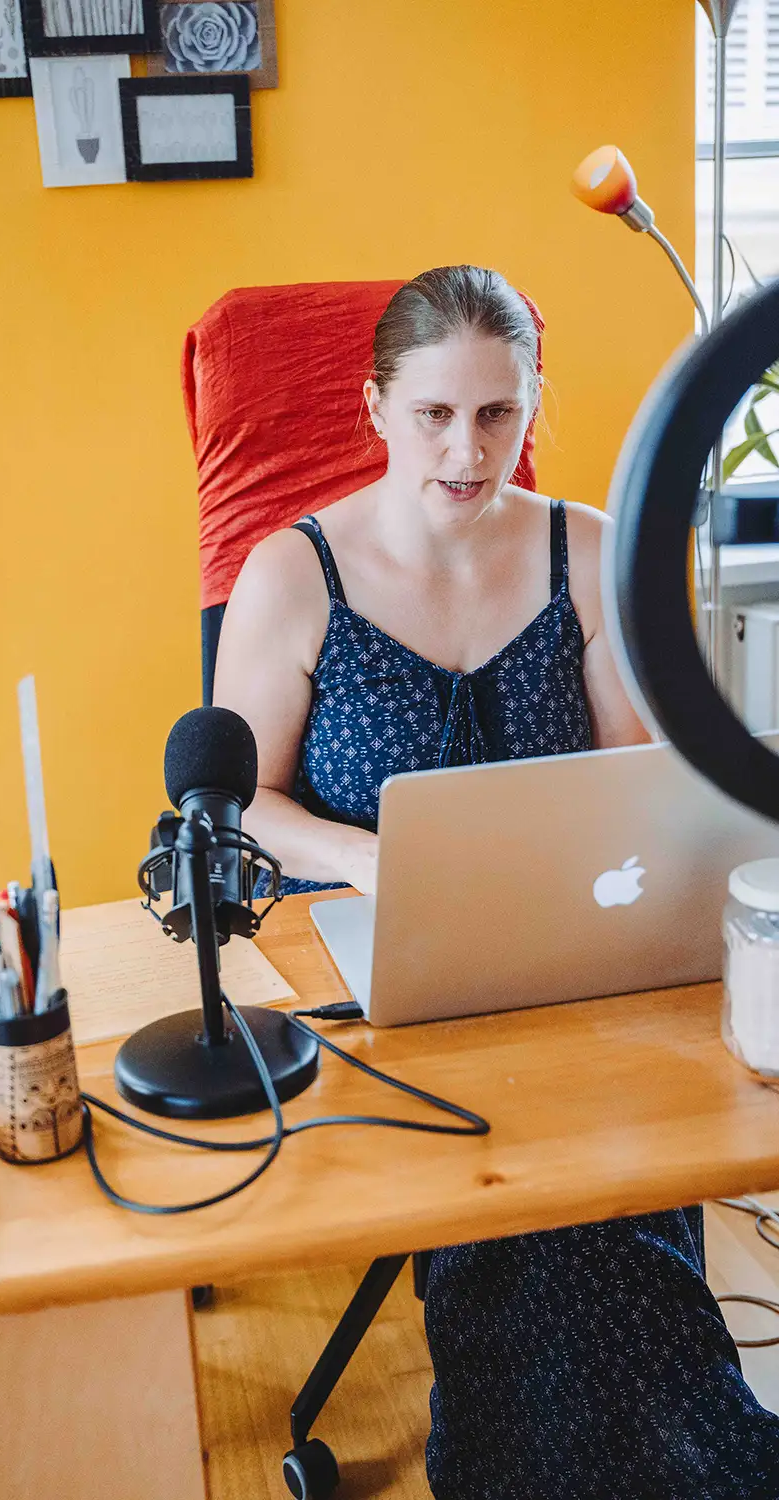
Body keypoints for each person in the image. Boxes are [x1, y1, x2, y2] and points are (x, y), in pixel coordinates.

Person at [213, 265, 779, 1497]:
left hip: (574, 965)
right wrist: (370, 856)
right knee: (522, 1205)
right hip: (389, 977)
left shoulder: (586, 551)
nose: (468, 452)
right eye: (434, 415)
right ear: (374, 407)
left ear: (534, 405)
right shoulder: (290, 576)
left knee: (612, 1196)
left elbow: (637, 777)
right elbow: (234, 802)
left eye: (497, 415)